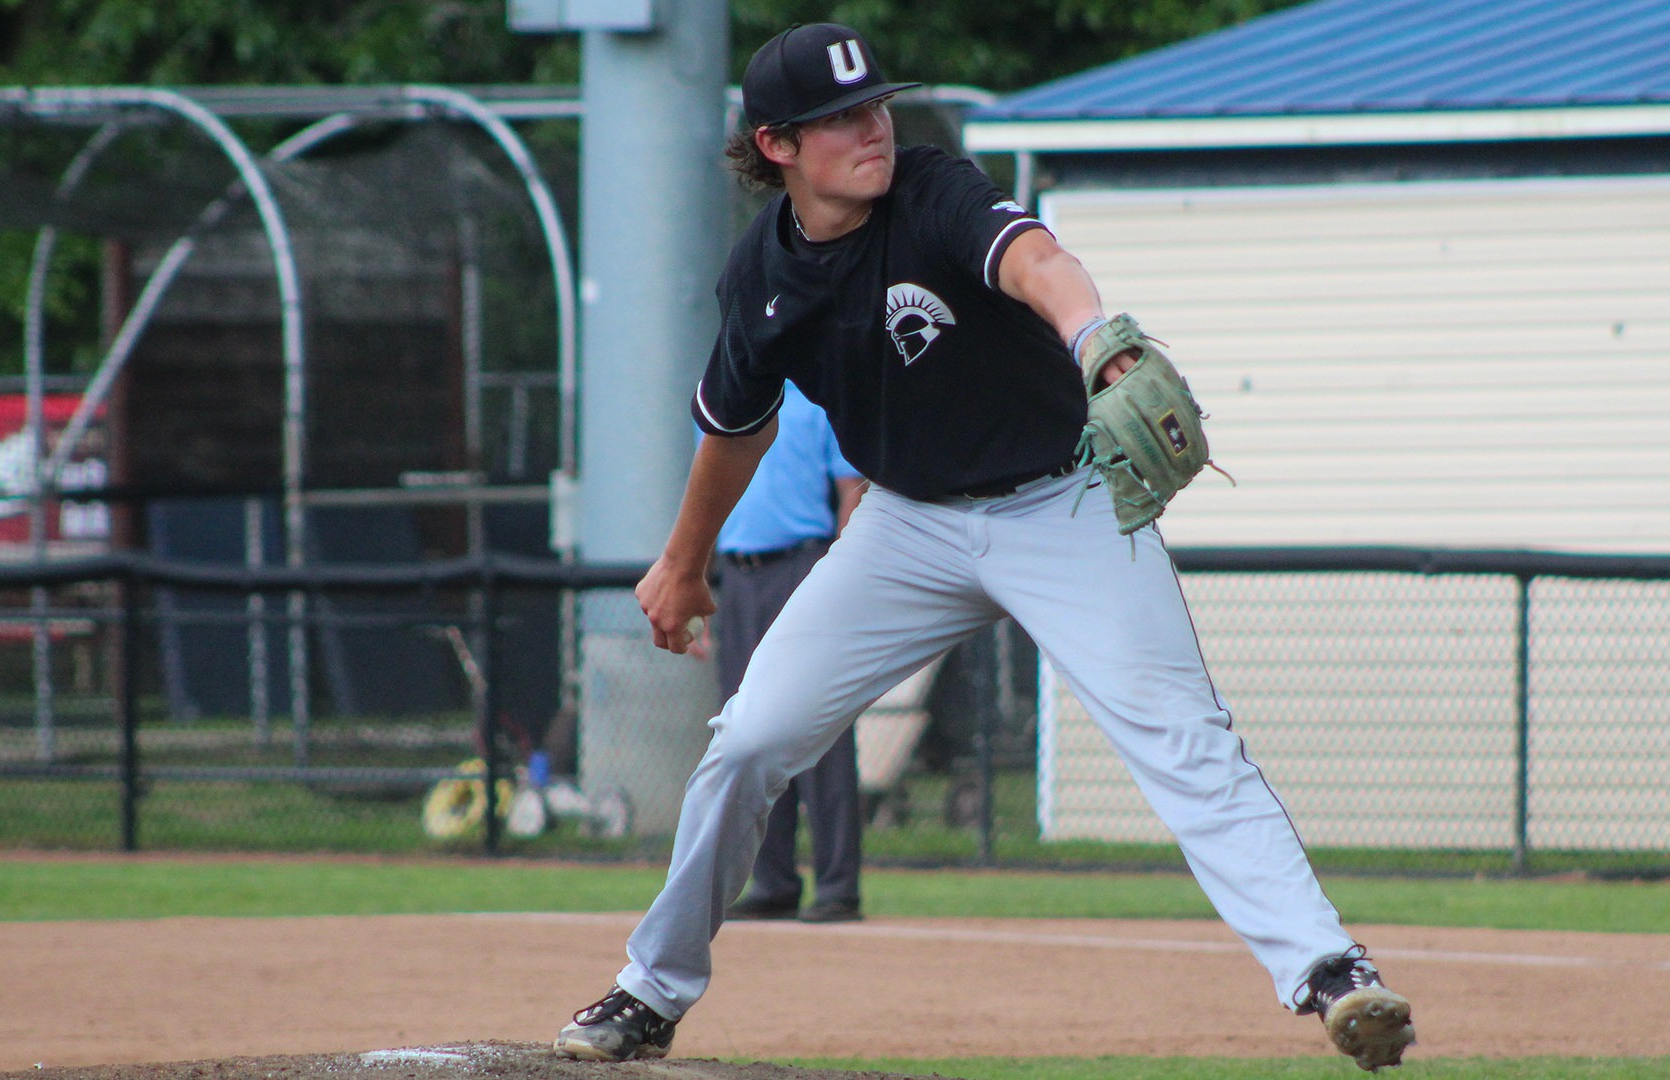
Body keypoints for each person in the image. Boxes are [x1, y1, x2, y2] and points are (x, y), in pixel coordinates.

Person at [554, 22, 1416, 1073]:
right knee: (747, 741)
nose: (873, 126)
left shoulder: (933, 191)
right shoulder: (763, 278)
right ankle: (650, 991)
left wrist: (1095, 339)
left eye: (876, 104)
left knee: (1183, 739)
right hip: (907, 525)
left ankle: (1331, 973)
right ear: (777, 145)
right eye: (841, 118)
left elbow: (1038, 261)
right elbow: (736, 428)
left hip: (1064, 505)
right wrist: (683, 565)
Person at [708, 381, 867, 925]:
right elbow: (708, 493)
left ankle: (838, 886)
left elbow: (852, 489)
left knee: (821, 730)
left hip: (802, 566)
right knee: (748, 730)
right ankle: (773, 882)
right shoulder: (727, 398)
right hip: (737, 575)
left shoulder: (819, 399)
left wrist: (841, 574)